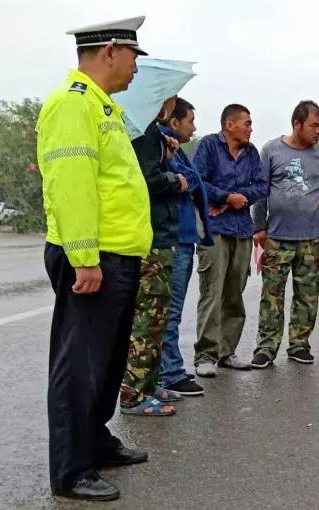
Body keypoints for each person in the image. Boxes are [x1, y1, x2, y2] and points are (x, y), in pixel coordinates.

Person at [38, 16, 151, 501]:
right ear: (110, 51)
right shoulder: (73, 104)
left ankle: (96, 441)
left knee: (105, 363)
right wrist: (84, 258)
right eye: (133, 56)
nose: (135, 68)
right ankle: (70, 469)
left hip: (116, 253)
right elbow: (73, 185)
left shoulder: (103, 108)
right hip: (93, 256)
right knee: (78, 365)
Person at [249, 100, 319, 368]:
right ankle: (266, 347)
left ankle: (299, 345)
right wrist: (259, 227)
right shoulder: (272, 150)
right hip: (277, 237)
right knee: (272, 296)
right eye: (313, 126)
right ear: (296, 124)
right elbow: (260, 191)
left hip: (310, 238)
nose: (318, 131)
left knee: (307, 296)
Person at [118, 96, 189, 416]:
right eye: (169, 100)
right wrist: (176, 179)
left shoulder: (154, 136)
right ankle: (133, 395)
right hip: (151, 237)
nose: (171, 107)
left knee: (157, 319)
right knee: (148, 320)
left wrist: (168, 158)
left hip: (159, 235)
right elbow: (145, 181)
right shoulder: (144, 134)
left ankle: (148, 384)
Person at [192, 104, 268, 376]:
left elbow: (261, 187)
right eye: (246, 123)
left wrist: (238, 199)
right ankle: (205, 354)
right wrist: (225, 198)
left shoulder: (251, 153)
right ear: (229, 124)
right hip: (214, 230)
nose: (250, 128)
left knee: (235, 293)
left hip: (242, 230)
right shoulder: (209, 147)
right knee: (212, 292)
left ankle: (227, 351)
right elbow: (196, 182)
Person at [158, 97, 210, 396]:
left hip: (184, 237)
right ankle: (170, 372)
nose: (194, 126)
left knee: (171, 309)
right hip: (174, 237)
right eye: (190, 120)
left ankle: (168, 369)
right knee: (169, 309)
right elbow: (188, 181)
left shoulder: (174, 147)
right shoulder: (163, 146)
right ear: (174, 121)